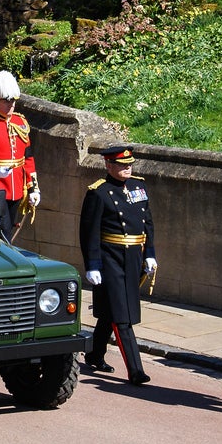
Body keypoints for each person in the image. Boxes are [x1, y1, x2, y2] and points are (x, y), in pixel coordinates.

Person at [80, 145, 157, 385]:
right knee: (122, 314)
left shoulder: (139, 186)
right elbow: (89, 232)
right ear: (108, 166)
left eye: (129, 165)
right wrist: (92, 264)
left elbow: (148, 223)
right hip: (109, 258)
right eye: (122, 165)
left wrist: (150, 254)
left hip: (134, 256)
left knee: (110, 311)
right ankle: (135, 370)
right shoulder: (99, 192)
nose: (127, 168)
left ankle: (95, 354)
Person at [0, 71, 39, 240]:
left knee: (10, 227)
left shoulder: (21, 122)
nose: (10, 104)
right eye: (6, 100)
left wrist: (33, 188)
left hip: (18, 185)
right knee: (2, 229)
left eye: (12, 100)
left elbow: (28, 157)